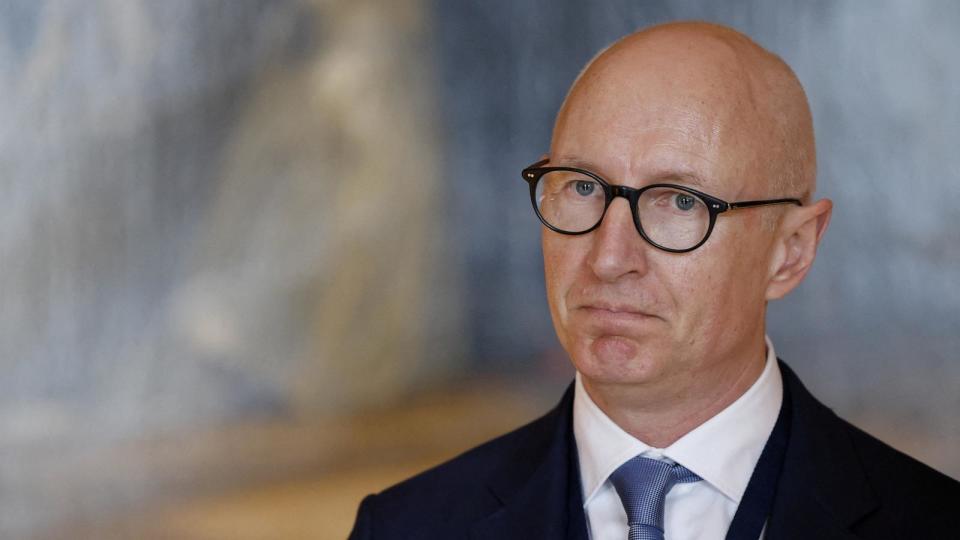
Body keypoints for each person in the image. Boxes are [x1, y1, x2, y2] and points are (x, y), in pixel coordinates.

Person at [348, 21, 960, 540]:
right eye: (582, 187)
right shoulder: (407, 527)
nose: (609, 258)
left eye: (679, 201)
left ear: (791, 251)